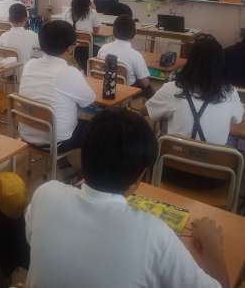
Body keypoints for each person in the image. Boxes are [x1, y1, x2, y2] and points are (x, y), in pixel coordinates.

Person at [25, 108, 229, 288]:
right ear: (140, 177)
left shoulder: (45, 194)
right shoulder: (154, 235)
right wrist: (213, 246)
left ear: (82, 157)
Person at [146, 34, 243, 145]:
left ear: (190, 61)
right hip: (215, 155)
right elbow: (238, 119)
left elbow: (150, 112)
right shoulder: (230, 92)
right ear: (220, 63)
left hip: (173, 154)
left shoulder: (171, 89)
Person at [18, 20, 95, 153]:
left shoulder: (29, 65)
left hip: (26, 133)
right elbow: (89, 100)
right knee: (95, 126)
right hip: (56, 142)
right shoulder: (68, 72)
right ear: (70, 48)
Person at [98, 14, 153, 98]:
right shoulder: (135, 55)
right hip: (126, 92)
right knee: (149, 88)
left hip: (105, 87)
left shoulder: (103, 48)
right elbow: (145, 83)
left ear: (114, 32)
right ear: (134, 33)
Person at [63, 0, 101, 73]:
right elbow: (96, 31)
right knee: (101, 49)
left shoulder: (67, 12)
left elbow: (64, 28)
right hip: (87, 48)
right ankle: (90, 70)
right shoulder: (92, 13)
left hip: (70, 48)